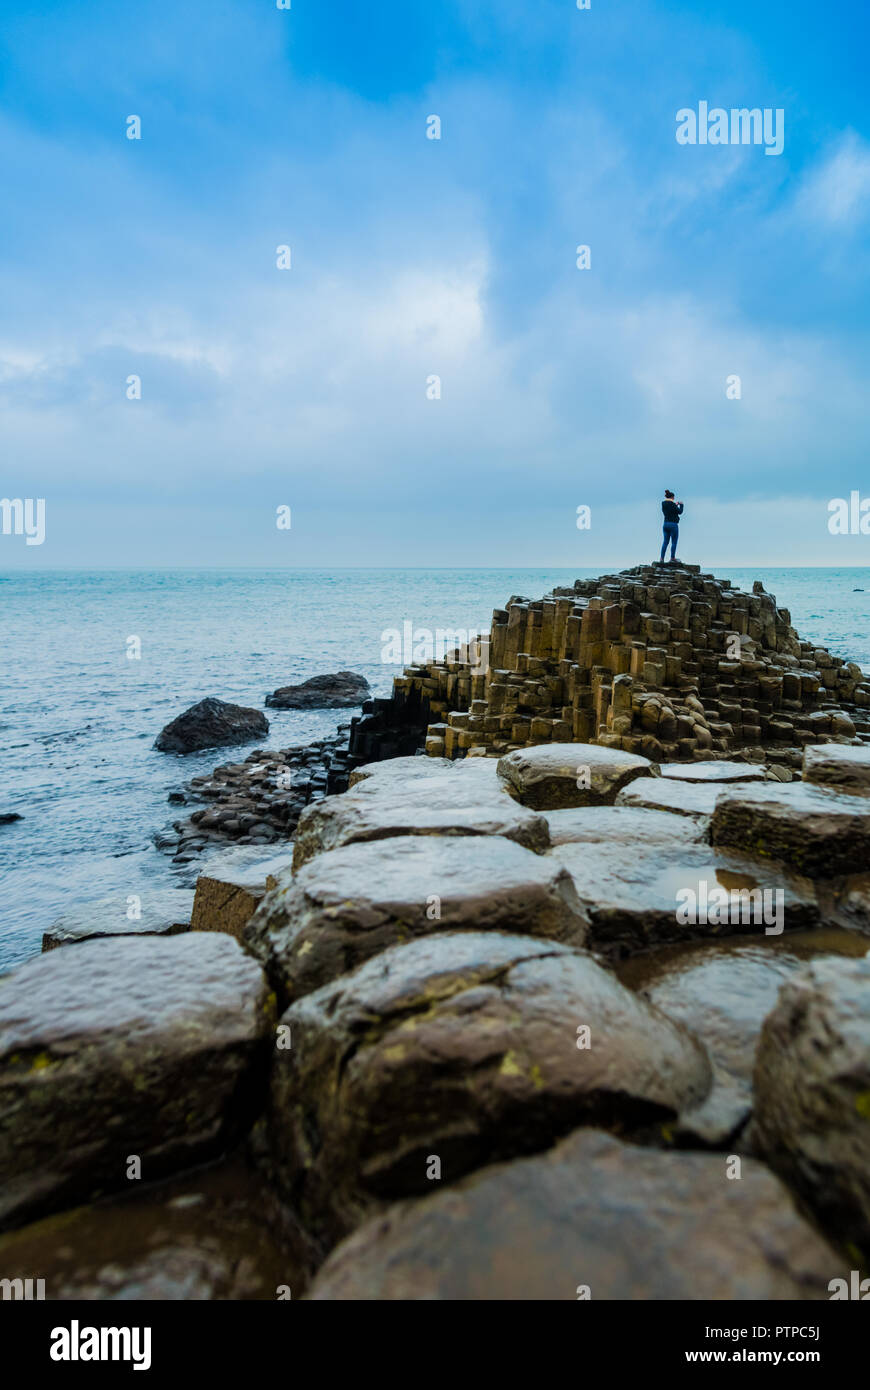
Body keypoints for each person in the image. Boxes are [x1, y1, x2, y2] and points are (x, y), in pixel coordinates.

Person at [660, 490, 683, 563]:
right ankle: (672, 558)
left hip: (665, 524)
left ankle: (661, 558)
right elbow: (680, 512)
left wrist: (675, 505)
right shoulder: (672, 504)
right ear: (672, 497)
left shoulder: (663, 504)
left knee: (665, 542)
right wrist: (681, 505)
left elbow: (669, 510)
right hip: (673, 525)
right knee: (674, 542)